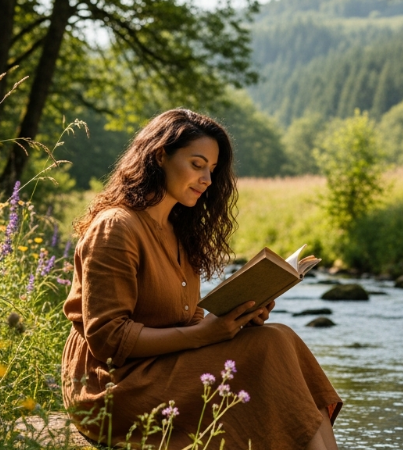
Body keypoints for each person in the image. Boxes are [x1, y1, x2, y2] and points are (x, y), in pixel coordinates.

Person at [61, 109, 342, 449]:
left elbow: (185, 318)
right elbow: (108, 338)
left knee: (279, 335)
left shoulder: (179, 232)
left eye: (212, 169)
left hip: (163, 366)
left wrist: (233, 321)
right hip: (113, 387)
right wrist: (204, 334)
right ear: (160, 155)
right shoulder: (117, 227)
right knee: (272, 346)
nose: (207, 179)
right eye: (197, 164)